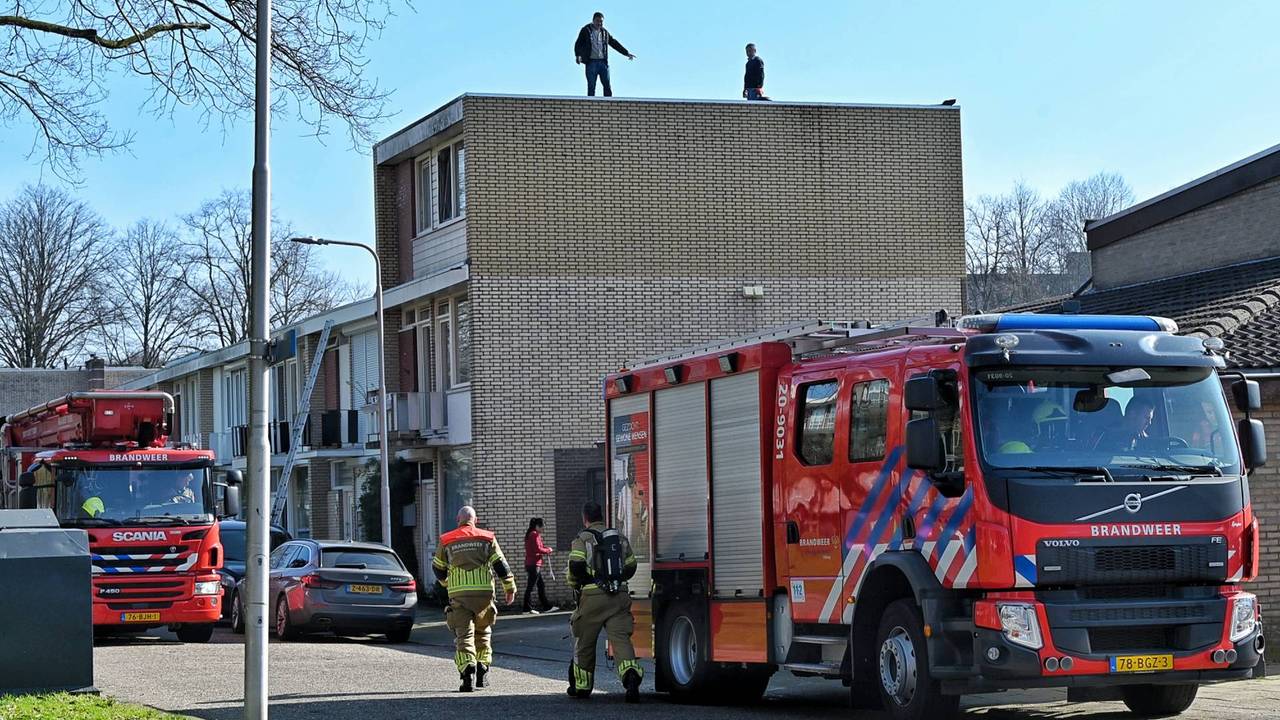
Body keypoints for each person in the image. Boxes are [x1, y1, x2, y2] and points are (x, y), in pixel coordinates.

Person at [433, 506, 517, 692]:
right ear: (475, 520)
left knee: (464, 635)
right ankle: (482, 670)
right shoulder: (487, 538)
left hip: (459, 595)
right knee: (483, 632)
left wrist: (446, 582)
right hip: (484, 595)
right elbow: (501, 565)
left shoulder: (446, 540)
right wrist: (509, 588)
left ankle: (467, 673)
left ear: (458, 519)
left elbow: (438, 568)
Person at [566, 501, 642, 703]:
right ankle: (630, 675)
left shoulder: (582, 538)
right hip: (619, 597)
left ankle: (582, 686)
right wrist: (616, 580)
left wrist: (577, 584)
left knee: (585, 642)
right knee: (621, 639)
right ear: (602, 516)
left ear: (585, 518)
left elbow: (576, 565)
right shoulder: (617, 537)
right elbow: (631, 565)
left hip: (592, 598)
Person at [573, 12, 635, 97]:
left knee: (607, 85)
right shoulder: (586, 30)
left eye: (601, 21)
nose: (599, 23)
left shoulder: (604, 33)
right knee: (591, 87)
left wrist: (626, 53)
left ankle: (609, 105)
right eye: (597, 21)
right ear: (593, 20)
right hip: (591, 62)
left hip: (603, 63)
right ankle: (590, 106)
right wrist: (578, 55)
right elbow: (578, 44)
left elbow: (614, 43)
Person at [522, 517, 555, 613]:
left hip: (532, 564)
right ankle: (527, 608)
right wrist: (548, 550)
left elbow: (538, 547)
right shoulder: (534, 535)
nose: (543, 529)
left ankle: (546, 607)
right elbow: (537, 549)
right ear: (537, 526)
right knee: (531, 587)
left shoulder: (530, 534)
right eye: (542, 527)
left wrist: (545, 548)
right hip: (534, 564)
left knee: (541, 585)